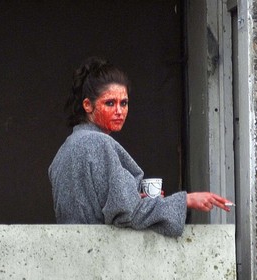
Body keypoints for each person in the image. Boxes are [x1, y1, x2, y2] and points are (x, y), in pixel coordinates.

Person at [48, 57, 232, 237]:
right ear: (88, 105)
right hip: (101, 256)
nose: (119, 111)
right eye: (110, 103)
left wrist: (136, 198)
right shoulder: (98, 143)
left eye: (124, 103)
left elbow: (108, 205)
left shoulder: (64, 150)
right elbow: (129, 214)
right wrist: (186, 200)